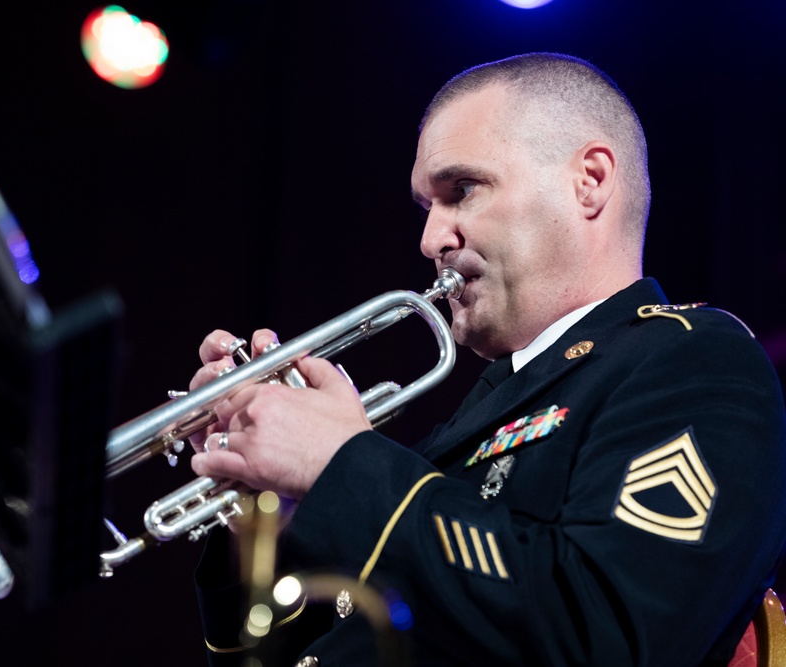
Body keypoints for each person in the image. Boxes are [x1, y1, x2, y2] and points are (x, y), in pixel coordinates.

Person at [186, 53, 786, 666]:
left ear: (591, 181)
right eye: (428, 208)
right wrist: (266, 518)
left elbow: (605, 632)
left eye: (462, 191)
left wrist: (341, 462)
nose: (430, 240)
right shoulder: (462, 429)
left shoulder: (693, 361)